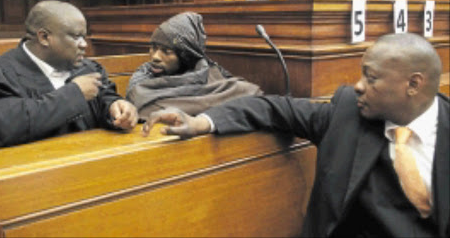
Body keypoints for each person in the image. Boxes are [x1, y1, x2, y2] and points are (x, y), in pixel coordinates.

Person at [142, 33, 449, 237]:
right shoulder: (346, 114)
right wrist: (201, 122)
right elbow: (273, 107)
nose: (358, 86)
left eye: (371, 79)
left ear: (414, 85)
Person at [0, 0, 138, 152]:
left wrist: (117, 108)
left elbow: (105, 99)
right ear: (44, 37)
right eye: (76, 37)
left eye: (85, 37)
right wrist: (74, 95)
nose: (84, 45)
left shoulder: (87, 69)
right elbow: (1, 127)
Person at [126, 12, 263, 120]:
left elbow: (250, 94)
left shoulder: (214, 79)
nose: (155, 57)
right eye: (153, 48)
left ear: (185, 56)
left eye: (166, 51)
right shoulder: (141, 81)